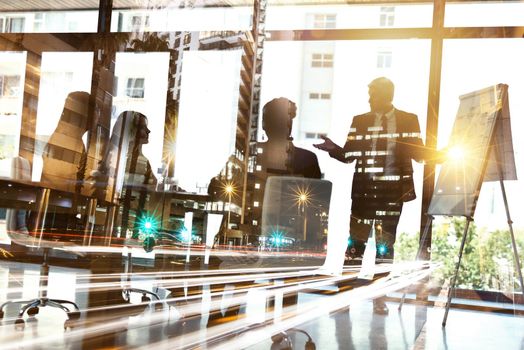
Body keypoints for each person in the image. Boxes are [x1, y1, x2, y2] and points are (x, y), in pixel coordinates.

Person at [314, 77, 438, 314]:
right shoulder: (360, 121)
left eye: (373, 95)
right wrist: (333, 149)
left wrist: (444, 154)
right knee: (355, 246)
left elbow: (418, 153)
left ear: (387, 95)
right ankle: (344, 299)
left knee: (385, 247)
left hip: (392, 195)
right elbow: (349, 155)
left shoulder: (407, 120)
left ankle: (379, 299)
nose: (369, 99)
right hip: (364, 193)